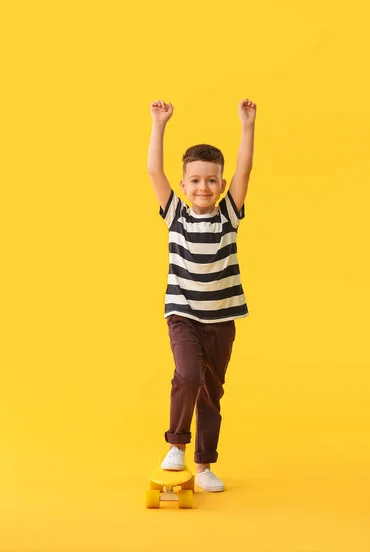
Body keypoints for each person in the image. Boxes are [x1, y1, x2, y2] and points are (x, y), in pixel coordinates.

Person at [147, 98, 257, 492]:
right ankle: (176, 443)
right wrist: (159, 124)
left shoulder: (229, 213)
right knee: (188, 375)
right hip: (183, 313)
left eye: (211, 180)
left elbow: (245, 168)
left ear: (222, 185)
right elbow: (153, 170)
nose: (203, 187)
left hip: (221, 320)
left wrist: (247, 126)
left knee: (212, 392)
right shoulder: (175, 212)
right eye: (195, 180)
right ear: (183, 186)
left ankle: (206, 464)